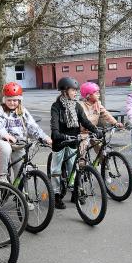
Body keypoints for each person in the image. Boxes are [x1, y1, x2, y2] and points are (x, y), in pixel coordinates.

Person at [50, 77, 100, 209]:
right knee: (56, 169)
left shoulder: (76, 105)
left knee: (73, 167)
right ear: (64, 91)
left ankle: (74, 192)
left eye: (76, 90)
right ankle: (55, 195)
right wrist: (57, 134)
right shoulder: (56, 106)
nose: (75, 93)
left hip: (73, 139)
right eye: (73, 90)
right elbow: (54, 126)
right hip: (60, 141)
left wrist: (95, 130)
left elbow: (84, 121)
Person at [0, 82, 52, 183]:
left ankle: (19, 194)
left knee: (22, 173)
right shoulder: (0, 110)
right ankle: (1, 176)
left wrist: (45, 138)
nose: (12, 103)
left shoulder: (22, 111)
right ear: (4, 100)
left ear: (19, 100)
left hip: (18, 144)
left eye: (15, 100)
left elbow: (32, 126)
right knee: (5, 148)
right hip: (0, 141)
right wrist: (5, 135)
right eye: (9, 100)